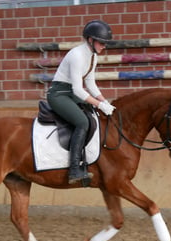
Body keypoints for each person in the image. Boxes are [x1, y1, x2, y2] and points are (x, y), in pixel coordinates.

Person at [47, 20, 116, 185]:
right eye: (101, 42)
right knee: (82, 121)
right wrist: (100, 105)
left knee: (94, 115)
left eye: (105, 43)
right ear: (90, 40)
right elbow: (79, 90)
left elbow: (91, 84)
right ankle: (74, 169)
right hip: (59, 94)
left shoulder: (92, 57)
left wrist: (105, 102)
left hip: (70, 93)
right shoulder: (77, 55)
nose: (104, 46)